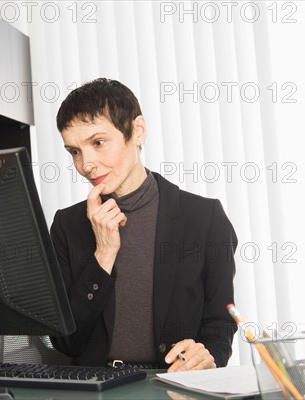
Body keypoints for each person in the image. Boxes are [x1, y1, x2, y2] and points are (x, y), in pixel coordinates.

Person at [49, 78, 238, 372]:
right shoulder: (67, 225)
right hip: (94, 386)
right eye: (74, 151)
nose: (86, 164)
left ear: (137, 131)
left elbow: (220, 320)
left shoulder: (204, 217)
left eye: (98, 143)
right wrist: (103, 255)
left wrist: (207, 355)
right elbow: (66, 342)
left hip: (173, 384)